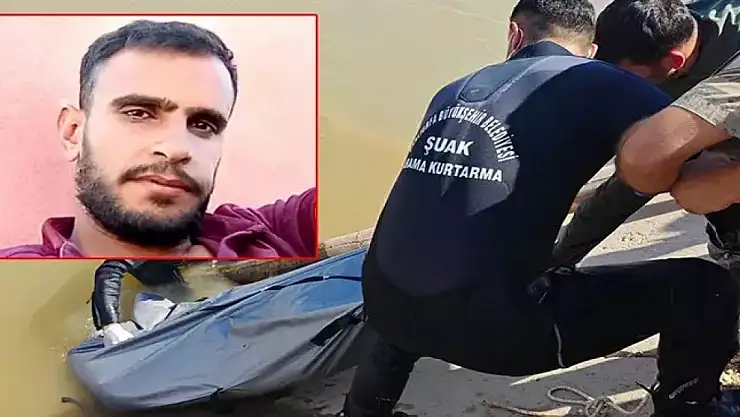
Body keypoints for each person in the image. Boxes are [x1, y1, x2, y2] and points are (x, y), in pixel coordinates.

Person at [332, 1, 740, 416]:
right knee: (707, 286)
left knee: (420, 264)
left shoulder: (452, 90)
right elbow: (684, 167)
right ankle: (689, 406)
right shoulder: (606, 83)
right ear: (592, 51)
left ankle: (361, 411)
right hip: (500, 338)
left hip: (383, 306)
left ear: (514, 34)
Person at [0, 20, 316, 259]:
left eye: (203, 124)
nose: (177, 148)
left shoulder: (279, 234)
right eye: (139, 113)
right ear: (72, 132)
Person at [552, 0, 740, 271]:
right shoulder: (671, 28)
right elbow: (631, 175)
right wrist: (560, 259)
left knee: (702, 175)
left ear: (674, 62)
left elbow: (638, 177)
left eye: (628, 78)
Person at [91, 259, 193, 345]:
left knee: (186, 294)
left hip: (178, 264)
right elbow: (108, 272)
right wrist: (110, 325)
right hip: (154, 271)